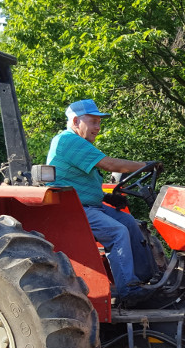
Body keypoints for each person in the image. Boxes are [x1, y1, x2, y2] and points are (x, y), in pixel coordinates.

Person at [47, 99, 159, 307]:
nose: (97, 128)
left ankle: (147, 277)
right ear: (76, 121)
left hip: (90, 205)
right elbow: (109, 164)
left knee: (129, 222)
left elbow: (82, 181)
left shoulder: (79, 143)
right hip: (72, 209)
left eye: (99, 123)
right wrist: (146, 166)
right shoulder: (67, 140)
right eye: (93, 122)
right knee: (117, 232)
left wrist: (106, 197)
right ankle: (128, 290)